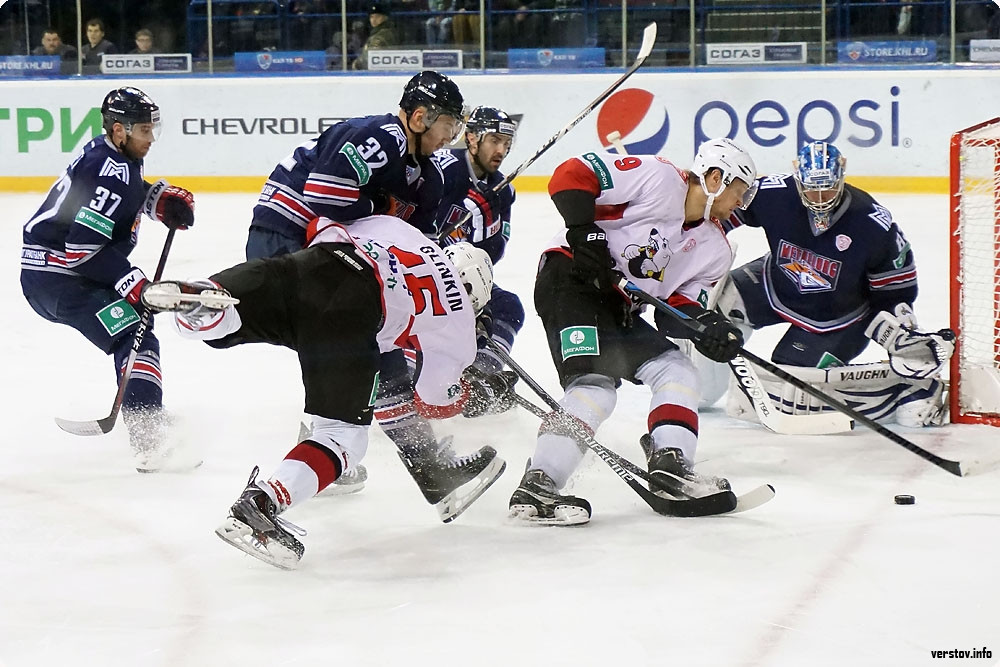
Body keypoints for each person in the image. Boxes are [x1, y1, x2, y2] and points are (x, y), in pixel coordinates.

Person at [140, 217, 512, 568]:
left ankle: (199, 305)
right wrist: (478, 391)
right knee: (343, 437)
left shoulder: (408, 234)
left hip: (311, 264)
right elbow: (434, 403)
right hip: (353, 308)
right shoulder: (459, 321)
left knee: (232, 311)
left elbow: (324, 225)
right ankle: (263, 504)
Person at [507, 139, 758, 526]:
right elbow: (570, 174)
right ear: (714, 178)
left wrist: (706, 327)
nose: (740, 203)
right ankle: (539, 485)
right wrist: (584, 231)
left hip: (617, 307)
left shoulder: (715, 249)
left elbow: (674, 310)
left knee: (677, 370)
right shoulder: (659, 177)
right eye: (738, 191)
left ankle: (671, 462)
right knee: (594, 386)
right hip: (570, 280)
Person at [708, 141, 953, 427]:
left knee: (788, 387)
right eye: (812, 189)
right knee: (714, 306)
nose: (820, 198)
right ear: (797, 179)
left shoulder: (872, 223)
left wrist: (899, 331)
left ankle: (905, 391)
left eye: (827, 188)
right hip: (774, 283)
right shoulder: (773, 194)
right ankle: (701, 390)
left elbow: (895, 292)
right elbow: (720, 214)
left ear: (841, 178)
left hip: (838, 320)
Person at [19, 87, 196, 471]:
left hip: (57, 271)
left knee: (137, 331)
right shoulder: (109, 169)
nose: (151, 139)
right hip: (58, 278)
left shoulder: (115, 155)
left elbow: (122, 195)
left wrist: (157, 201)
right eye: (144, 131)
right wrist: (133, 283)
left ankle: (144, 412)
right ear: (119, 130)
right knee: (134, 334)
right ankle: (147, 438)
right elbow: (82, 250)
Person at [246, 69, 464, 259]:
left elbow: (422, 243)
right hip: (286, 225)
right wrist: (377, 206)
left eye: (456, 128)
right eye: (449, 126)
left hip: (324, 240)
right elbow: (322, 194)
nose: (451, 137)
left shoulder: (430, 175)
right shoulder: (380, 137)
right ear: (420, 118)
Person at [437, 106, 521, 375]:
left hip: (459, 275)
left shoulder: (503, 190)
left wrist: (487, 222)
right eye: (494, 140)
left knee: (507, 306)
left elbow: (490, 258)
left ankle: (481, 374)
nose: (501, 150)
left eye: (506, 143)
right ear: (472, 138)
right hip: (419, 269)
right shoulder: (442, 169)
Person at [352, 3, 398, 70]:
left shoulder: (384, 34)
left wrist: (357, 63)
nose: (374, 20)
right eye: (372, 17)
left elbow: (372, 56)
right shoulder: (377, 32)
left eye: (377, 17)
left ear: (385, 17)